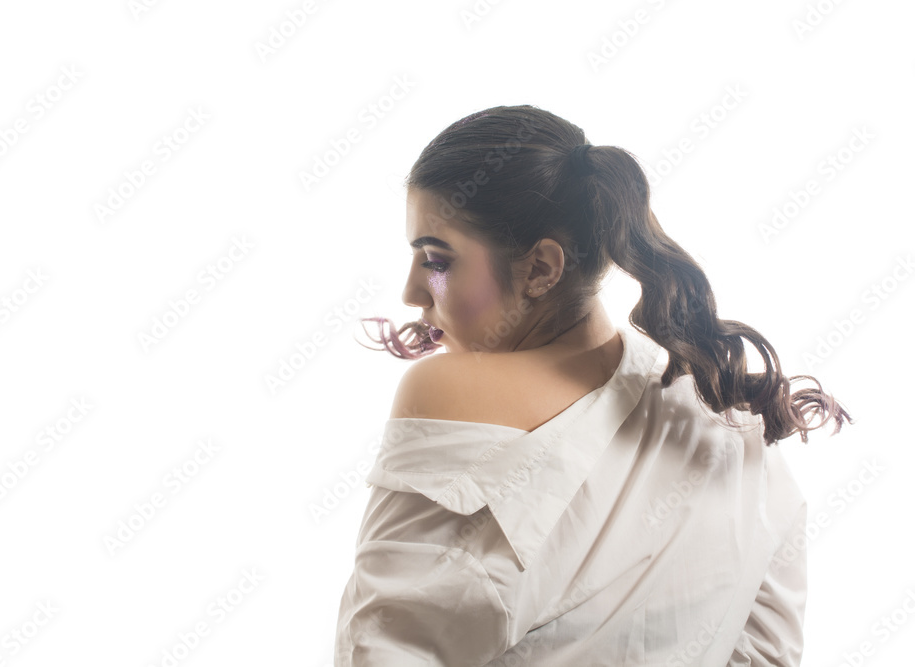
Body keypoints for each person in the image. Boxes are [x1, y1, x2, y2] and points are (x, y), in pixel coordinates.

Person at [334, 104, 853, 666]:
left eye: (436, 259)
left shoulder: (449, 388)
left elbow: (385, 648)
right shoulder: (738, 429)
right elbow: (766, 655)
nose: (412, 292)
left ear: (541, 269)